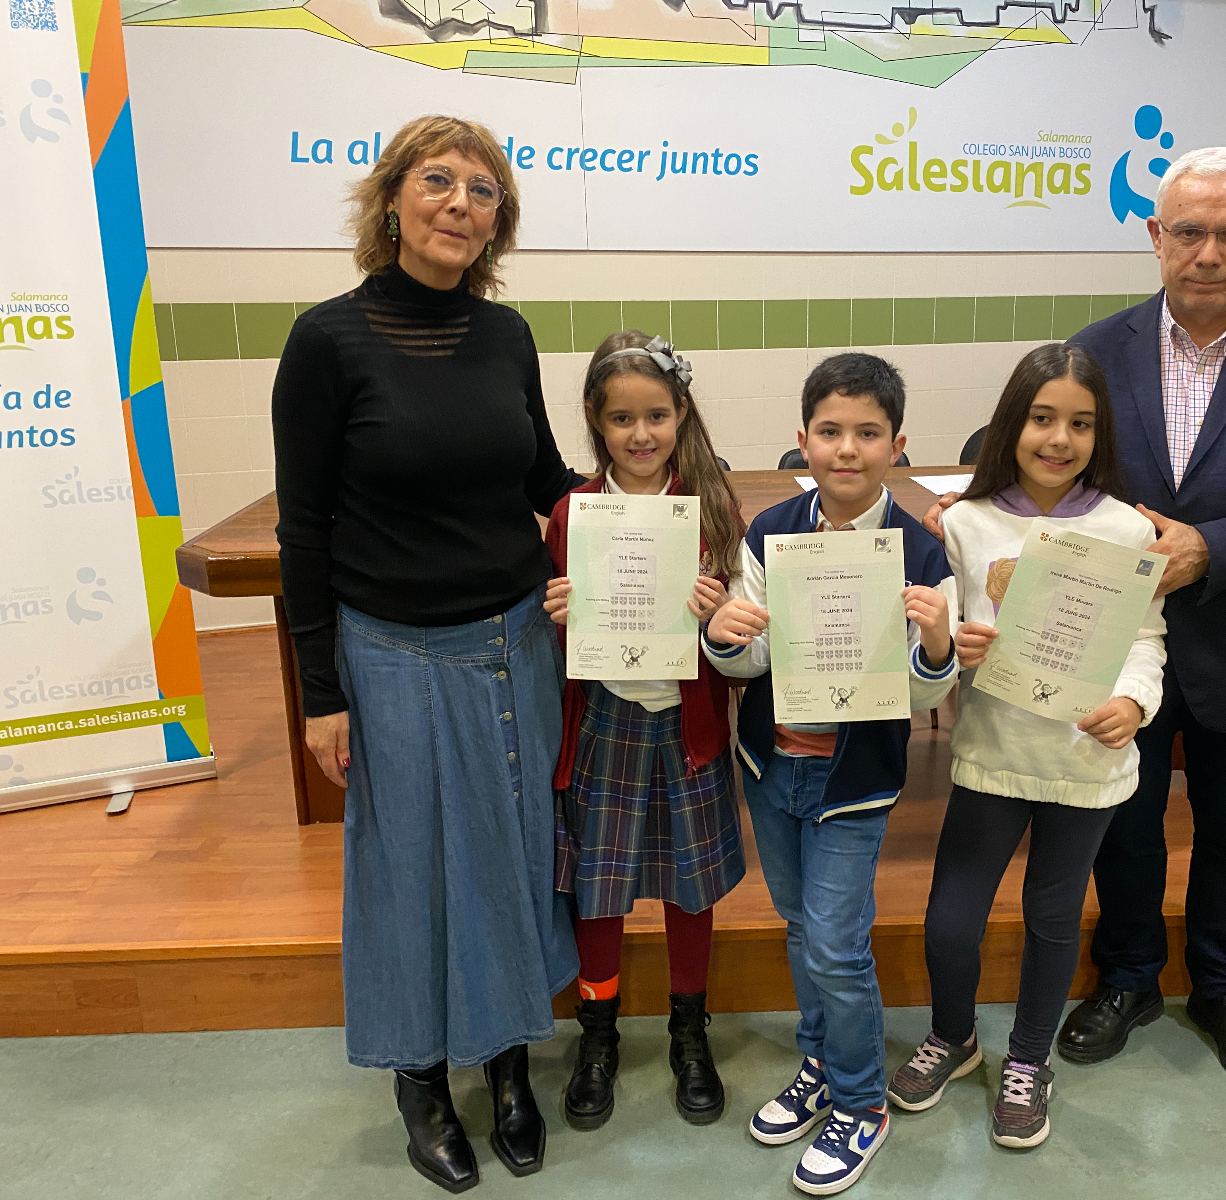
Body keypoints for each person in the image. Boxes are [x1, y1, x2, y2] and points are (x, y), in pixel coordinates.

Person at [928, 147, 1226, 1097]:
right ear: (1154, 236)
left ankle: (1223, 990)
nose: (1208, 252)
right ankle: (1127, 978)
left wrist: (1213, 548)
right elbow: (1044, 473)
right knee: (1120, 828)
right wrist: (971, 522)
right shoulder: (1102, 347)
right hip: (1100, 652)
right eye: (1189, 231)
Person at [272, 115, 583, 1193]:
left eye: (484, 190)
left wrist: (650, 519)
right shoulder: (327, 341)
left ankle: (505, 1065)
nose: (461, 203)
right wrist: (321, 696)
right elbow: (302, 530)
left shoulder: (507, 338)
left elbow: (544, 477)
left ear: (499, 221)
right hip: (391, 652)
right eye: (438, 181)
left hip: (513, 643)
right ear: (393, 201)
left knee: (509, 856)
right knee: (408, 876)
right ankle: (419, 1079)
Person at [887, 344, 1166, 1149]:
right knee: (951, 921)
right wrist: (949, 645)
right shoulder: (967, 523)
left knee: (1052, 918)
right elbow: (935, 634)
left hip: (1084, 764)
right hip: (994, 754)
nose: (1059, 438)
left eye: (1080, 423)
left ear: (1099, 433)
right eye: (1042, 418)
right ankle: (953, 1036)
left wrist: (1132, 702)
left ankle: (1028, 1059)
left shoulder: (1126, 526)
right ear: (1013, 423)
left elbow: (1145, 638)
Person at [704, 354, 959, 1196]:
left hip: (856, 781)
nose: (846, 449)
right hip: (774, 767)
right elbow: (744, 665)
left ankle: (860, 1103)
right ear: (802, 440)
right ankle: (820, 1061)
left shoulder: (919, 550)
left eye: (868, 433)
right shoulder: (769, 532)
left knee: (839, 948)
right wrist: (730, 635)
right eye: (829, 432)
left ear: (899, 446)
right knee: (798, 926)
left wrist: (933, 644)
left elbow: (930, 690)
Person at [541, 329, 747, 1131]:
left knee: (689, 892)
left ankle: (688, 1030)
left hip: (686, 725)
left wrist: (718, 615)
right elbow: (564, 634)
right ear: (596, 422)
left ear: (681, 412)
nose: (640, 434)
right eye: (621, 418)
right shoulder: (571, 512)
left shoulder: (713, 509)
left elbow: (738, 633)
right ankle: (598, 1036)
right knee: (599, 891)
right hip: (606, 725)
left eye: (655, 415)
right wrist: (558, 618)